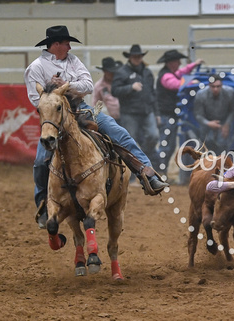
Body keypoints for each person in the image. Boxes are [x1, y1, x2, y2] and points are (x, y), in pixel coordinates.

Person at [24, 25, 168, 229]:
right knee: (40, 162)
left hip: (80, 109)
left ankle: (147, 174)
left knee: (119, 133)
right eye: (66, 43)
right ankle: (43, 206)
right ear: (55, 45)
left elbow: (88, 85)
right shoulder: (36, 68)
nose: (69, 47)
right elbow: (34, 98)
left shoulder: (73, 61)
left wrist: (67, 84)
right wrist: (56, 92)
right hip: (54, 117)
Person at [111, 44, 161, 171]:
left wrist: (157, 113)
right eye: (135, 57)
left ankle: (140, 157)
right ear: (130, 57)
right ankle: (132, 169)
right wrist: (130, 88)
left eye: (139, 56)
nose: (137, 59)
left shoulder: (147, 72)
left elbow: (152, 93)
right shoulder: (122, 72)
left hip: (147, 110)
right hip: (130, 113)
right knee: (129, 140)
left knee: (153, 136)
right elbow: (115, 90)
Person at [155, 49, 203, 178]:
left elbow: (181, 73)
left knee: (168, 145)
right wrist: (191, 83)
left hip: (170, 115)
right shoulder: (166, 76)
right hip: (167, 115)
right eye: (176, 61)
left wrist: (193, 65)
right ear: (171, 63)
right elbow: (175, 84)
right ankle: (159, 172)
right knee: (166, 145)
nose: (178, 63)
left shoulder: (170, 73)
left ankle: (161, 171)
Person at [193, 74, 234, 154]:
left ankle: (223, 161)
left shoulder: (230, 93)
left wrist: (227, 124)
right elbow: (198, 114)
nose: (215, 89)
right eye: (213, 86)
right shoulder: (201, 95)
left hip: (224, 120)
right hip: (207, 121)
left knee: (224, 143)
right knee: (206, 142)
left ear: (222, 85)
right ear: (209, 85)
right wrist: (208, 123)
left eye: (218, 86)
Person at [92, 57, 122, 121]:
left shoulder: (121, 80)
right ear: (104, 71)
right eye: (109, 71)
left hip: (128, 116)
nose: (111, 73)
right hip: (114, 118)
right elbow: (95, 104)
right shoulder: (99, 86)